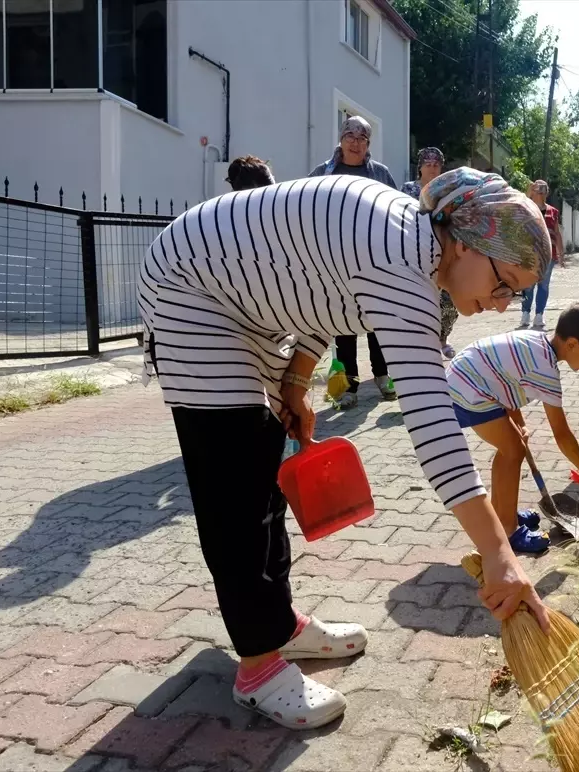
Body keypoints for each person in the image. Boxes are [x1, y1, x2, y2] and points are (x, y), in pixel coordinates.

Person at [138, 168, 552, 731]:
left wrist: (294, 380)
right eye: (505, 284)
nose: (504, 305)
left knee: (263, 460)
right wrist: (500, 559)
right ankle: (258, 667)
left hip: (244, 301)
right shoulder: (403, 260)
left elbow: (322, 291)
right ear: (464, 242)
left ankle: (278, 624)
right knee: (231, 482)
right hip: (191, 289)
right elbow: (433, 425)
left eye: (517, 294)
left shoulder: (416, 249)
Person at [446, 301, 579, 554]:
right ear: (572, 344)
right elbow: (562, 433)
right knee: (512, 450)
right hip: (470, 390)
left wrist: (519, 424)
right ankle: (508, 529)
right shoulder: (546, 371)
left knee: (513, 446)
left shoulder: (537, 342)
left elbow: (506, 379)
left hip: (467, 379)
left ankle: (503, 513)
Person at [310, 115, 398, 405]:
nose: (356, 143)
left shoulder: (380, 174)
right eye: (351, 136)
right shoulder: (323, 173)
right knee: (343, 322)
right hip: (335, 260)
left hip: (374, 259)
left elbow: (396, 211)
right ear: (341, 138)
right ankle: (348, 386)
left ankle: (383, 376)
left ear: (368, 143)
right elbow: (307, 210)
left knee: (377, 319)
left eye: (362, 138)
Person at [402, 147, 459, 358]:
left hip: (444, 251)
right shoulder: (408, 190)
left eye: (436, 165)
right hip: (413, 252)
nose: (432, 169)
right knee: (416, 300)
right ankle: (417, 343)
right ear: (420, 168)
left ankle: (442, 339)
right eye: (428, 165)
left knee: (449, 302)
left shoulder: (448, 191)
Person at [519, 180, 565, 330]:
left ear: (547, 192)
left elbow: (557, 233)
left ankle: (539, 315)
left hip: (548, 255)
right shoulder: (527, 207)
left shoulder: (553, 211)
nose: (541, 189)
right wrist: (528, 192)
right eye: (537, 186)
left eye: (543, 187)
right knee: (527, 285)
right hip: (529, 254)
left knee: (543, 285)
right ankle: (525, 313)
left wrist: (561, 254)